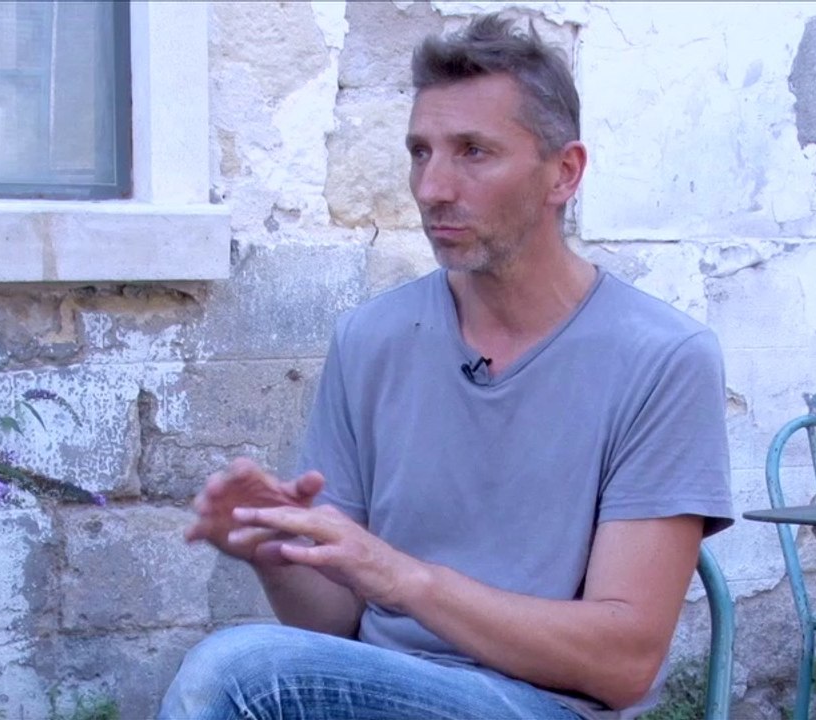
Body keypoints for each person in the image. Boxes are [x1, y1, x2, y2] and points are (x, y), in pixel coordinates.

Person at [159, 12, 733, 720]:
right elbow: (332, 629)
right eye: (420, 152)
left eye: (472, 152)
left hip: (544, 706)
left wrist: (400, 577)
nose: (432, 188)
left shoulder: (661, 358)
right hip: (382, 688)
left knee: (233, 671)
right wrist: (275, 551)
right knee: (241, 667)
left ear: (565, 172)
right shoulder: (373, 337)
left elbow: (622, 663)